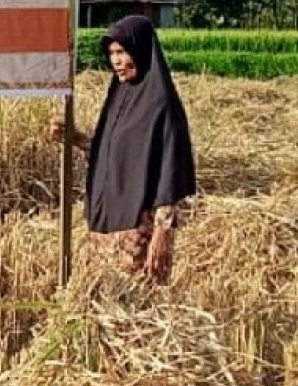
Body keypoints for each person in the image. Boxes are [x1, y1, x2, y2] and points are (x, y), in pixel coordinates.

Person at [51, 15, 196, 284]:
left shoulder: (161, 106)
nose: (115, 61)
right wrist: (73, 137)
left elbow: (169, 173)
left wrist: (162, 235)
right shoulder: (120, 96)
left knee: (135, 299)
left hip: (138, 227)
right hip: (107, 221)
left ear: (140, 50)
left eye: (121, 52)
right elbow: (113, 153)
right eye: (111, 54)